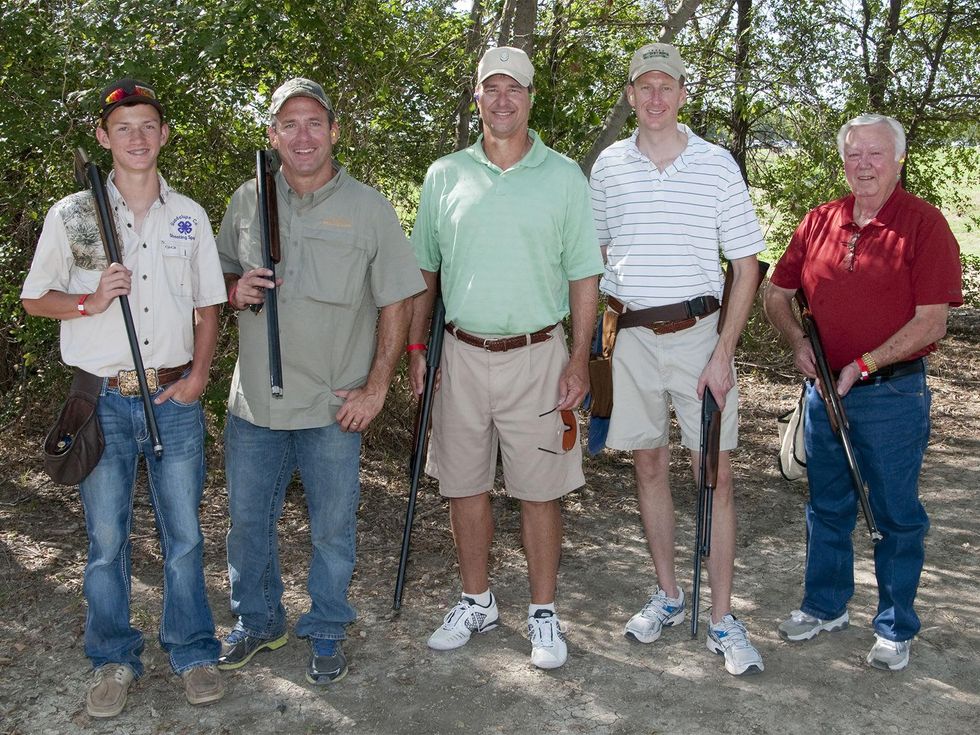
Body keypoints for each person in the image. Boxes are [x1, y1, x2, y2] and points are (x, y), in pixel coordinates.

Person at [21, 78, 226, 717]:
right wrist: (90, 299)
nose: (136, 137)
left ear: (164, 136)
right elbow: (35, 298)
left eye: (147, 126)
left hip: (174, 398)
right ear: (105, 139)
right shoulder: (75, 215)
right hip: (102, 400)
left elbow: (209, 305)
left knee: (184, 536)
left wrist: (197, 376)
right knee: (106, 540)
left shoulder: (189, 214)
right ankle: (113, 658)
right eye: (123, 128)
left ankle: (192, 651)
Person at [216, 78, 423, 684]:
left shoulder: (367, 207)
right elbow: (218, 278)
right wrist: (234, 291)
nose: (302, 135)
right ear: (273, 134)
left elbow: (398, 301)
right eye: (289, 123)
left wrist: (377, 387)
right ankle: (258, 621)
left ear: (334, 132)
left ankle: (328, 627)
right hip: (255, 403)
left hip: (334, 406)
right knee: (247, 524)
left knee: (333, 528)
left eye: (314, 123)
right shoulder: (246, 201)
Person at [408, 46, 603, 671]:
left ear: (529, 97)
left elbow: (583, 279)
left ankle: (543, 613)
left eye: (512, 89)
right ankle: (477, 600)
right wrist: (418, 347)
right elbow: (425, 273)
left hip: (539, 357)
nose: (501, 100)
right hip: (460, 356)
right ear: (477, 98)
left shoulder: (565, 176)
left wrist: (579, 359)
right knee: (463, 484)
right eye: (490, 89)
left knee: (540, 490)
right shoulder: (444, 175)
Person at [589, 43, 766, 676]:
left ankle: (722, 617)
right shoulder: (608, 166)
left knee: (713, 475)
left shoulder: (717, 165)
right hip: (631, 335)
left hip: (700, 336)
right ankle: (668, 594)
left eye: (668, 86)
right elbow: (596, 253)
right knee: (648, 464)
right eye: (645, 87)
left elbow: (746, 268)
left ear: (683, 94)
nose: (656, 98)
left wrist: (723, 352)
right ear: (631, 95)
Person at [765, 113, 962, 671]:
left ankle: (896, 626)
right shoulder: (820, 221)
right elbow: (775, 295)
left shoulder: (925, 225)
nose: (865, 165)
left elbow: (932, 324)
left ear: (898, 160)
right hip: (823, 392)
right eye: (855, 155)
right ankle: (824, 606)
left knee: (896, 514)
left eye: (876, 154)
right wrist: (798, 342)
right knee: (826, 505)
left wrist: (864, 364)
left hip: (891, 396)